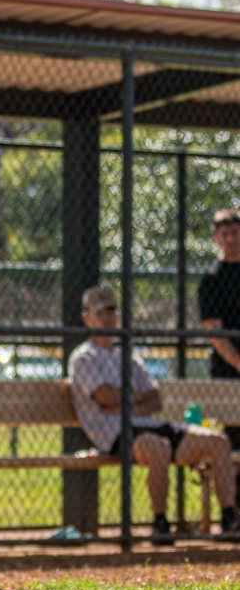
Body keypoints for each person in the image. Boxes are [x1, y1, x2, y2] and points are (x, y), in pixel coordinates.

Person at [69, 285, 240, 544]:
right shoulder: (84, 358)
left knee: (218, 442)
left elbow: (154, 399)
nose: (107, 318)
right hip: (116, 434)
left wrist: (124, 400)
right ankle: (160, 523)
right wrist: (133, 399)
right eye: (100, 313)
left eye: (111, 312)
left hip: (152, 425)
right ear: (86, 317)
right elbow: (106, 399)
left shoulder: (126, 355)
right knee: (158, 448)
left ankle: (229, 519)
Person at [199, 208, 240, 501]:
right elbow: (215, 332)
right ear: (216, 238)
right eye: (224, 234)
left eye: (235, 233)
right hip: (228, 371)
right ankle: (233, 510)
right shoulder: (211, 280)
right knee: (233, 441)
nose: (231, 239)